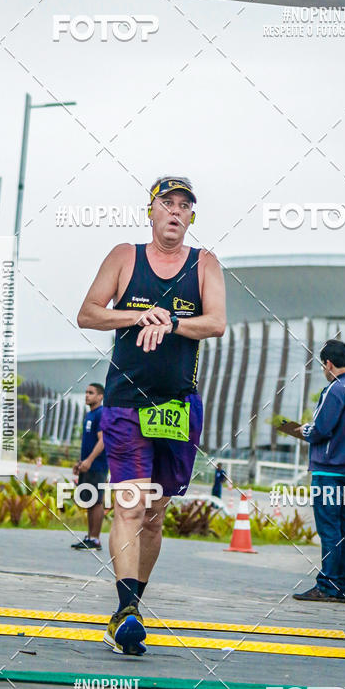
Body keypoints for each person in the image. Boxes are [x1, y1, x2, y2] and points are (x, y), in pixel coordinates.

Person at [77, 175, 226, 655]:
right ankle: (126, 611)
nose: (176, 213)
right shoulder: (125, 257)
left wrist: (173, 322)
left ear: (191, 218)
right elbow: (89, 313)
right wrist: (138, 315)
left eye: (185, 206)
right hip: (125, 405)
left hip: (177, 406)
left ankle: (129, 608)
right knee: (130, 505)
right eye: (168, 203)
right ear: (152, 211)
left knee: (156, 515)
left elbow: (217, 323)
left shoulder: (205, 264)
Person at [293, 339, 345, 604]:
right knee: (342, 527)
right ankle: (340, 586)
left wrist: (300, 430)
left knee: (329, 529)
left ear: (328, 363)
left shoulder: (335, 390)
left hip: (328, 470)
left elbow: (321, 429)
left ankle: (326, 585)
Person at [71, 383, 108, 551]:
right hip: (87, 465)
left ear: (100, 396)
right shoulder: (89, 414)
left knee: (96, 501)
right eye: (86, 392)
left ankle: (95, 539)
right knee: (89, 501)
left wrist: (90, 460)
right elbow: (87, 442)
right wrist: (80, 462)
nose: (87, 395)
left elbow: (103, 440)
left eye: (91, 393)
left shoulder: (101, 414)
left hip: (97, 465)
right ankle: (89, 537)